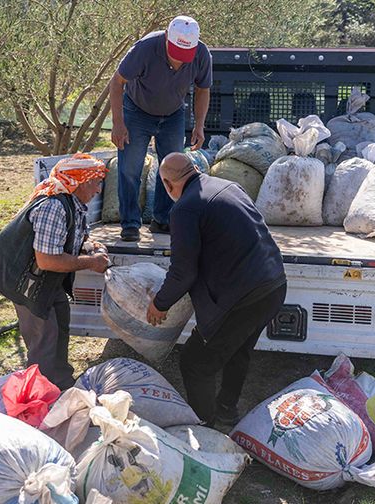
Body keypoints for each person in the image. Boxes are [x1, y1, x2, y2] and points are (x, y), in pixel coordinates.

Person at [146, 152, 287, 426]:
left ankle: (204, 426)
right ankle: (226, 409)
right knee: (238, 350)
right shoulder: (227, 186)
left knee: (194, 362)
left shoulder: (185, 208)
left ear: (167, 184)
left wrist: (159, 304)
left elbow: (183, 272)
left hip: (244, 297)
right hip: (273, 285)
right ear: (195, 169)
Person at [0, 153, 110, 390]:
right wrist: (91, 262)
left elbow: (75, 236)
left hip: (45, 279)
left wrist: (91, 246)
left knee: (60, 323)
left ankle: (61, 385)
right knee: (44, 340)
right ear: (81, 182)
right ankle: (39, 398)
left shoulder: (73, 204)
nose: (98, 189)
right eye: (96, 182)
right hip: (26, 280)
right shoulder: (54, 206)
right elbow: (47, 260)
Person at [108, 15, 212, 242]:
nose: (179, 62)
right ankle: (130, 224)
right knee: (130, 168)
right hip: (136, 111)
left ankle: (162, 219)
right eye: (176, 53)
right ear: (166, 37)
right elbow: (116, 82)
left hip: (174, 113)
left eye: (185, 56)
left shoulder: (202, 54)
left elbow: (203, 89)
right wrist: (118, 123)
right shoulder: (144, 49)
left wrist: (199, 125)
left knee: (174, 168)